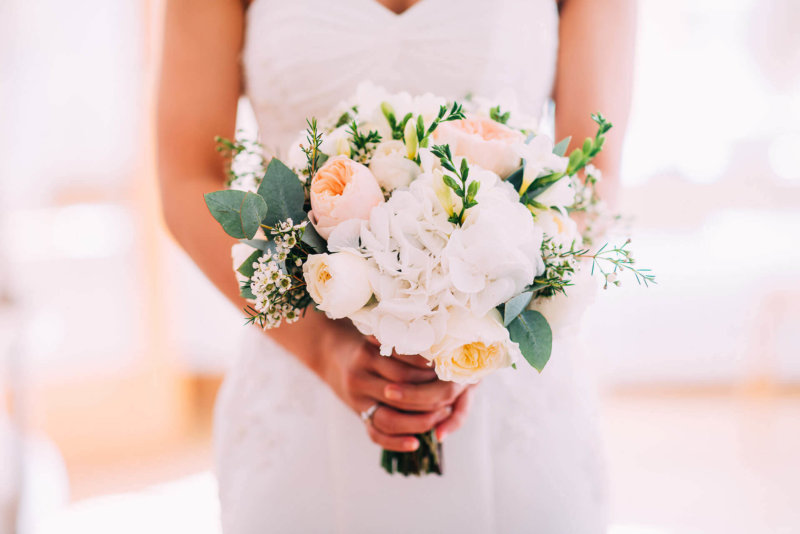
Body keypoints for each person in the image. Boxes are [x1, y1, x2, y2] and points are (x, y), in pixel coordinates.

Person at [157, 0, 635, 531]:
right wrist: (324, 348)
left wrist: (473, 331)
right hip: (301, 375)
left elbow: (593, 172)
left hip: (508, 391)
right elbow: (187, 177)